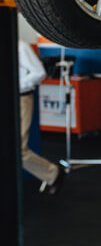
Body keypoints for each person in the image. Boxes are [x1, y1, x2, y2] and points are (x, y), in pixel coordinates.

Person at [18, 40, 64, 195]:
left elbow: (39, 73)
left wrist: (14, 84)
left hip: (21, 99)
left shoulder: (20, 47)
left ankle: (53, 173)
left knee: (19, 150)